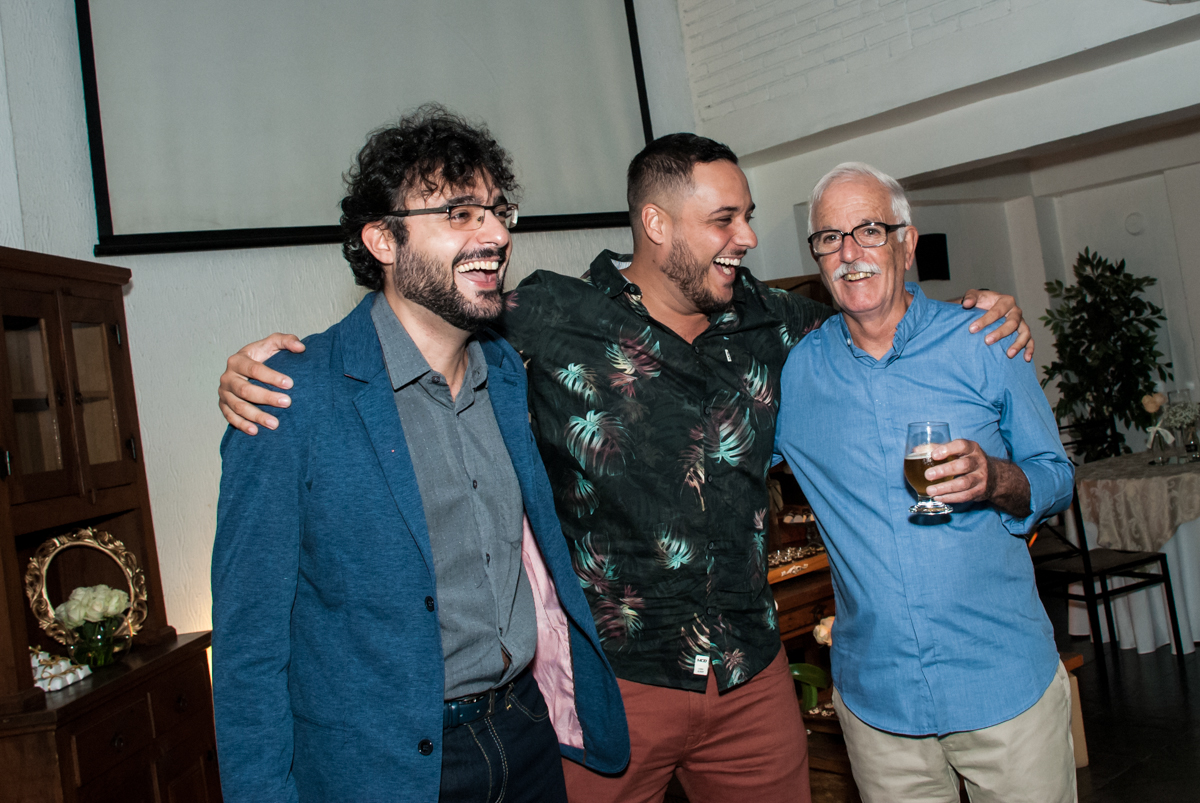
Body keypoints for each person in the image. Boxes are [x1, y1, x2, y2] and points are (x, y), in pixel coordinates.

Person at [217, 134, 1033, 803]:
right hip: (613, 684)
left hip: (749, 674)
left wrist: (976, 315)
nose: (747, 237)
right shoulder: (539, 318)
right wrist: (259, 368)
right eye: (725, 219)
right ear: (657, 222)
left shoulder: (780, 326)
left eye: (496, 212)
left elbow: (876, 321)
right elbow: (408, 329)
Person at [210, 106, 629, 803]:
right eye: (461, 213)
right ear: (382, 239)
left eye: (498, 211)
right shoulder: (288, 396)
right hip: (388, 767)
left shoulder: (506, 372)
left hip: (526, 735)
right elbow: (250, 649)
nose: (495, 234)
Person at [773, 162, 1076, 803]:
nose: (850, 253)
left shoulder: (984, 339)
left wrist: (995, 478)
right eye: (830, 238)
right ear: (816, 257)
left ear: (908, 244)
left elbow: (1056, 477)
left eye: (870, 231)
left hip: (1003, 684)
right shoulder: (797, 374)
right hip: (880, 707)